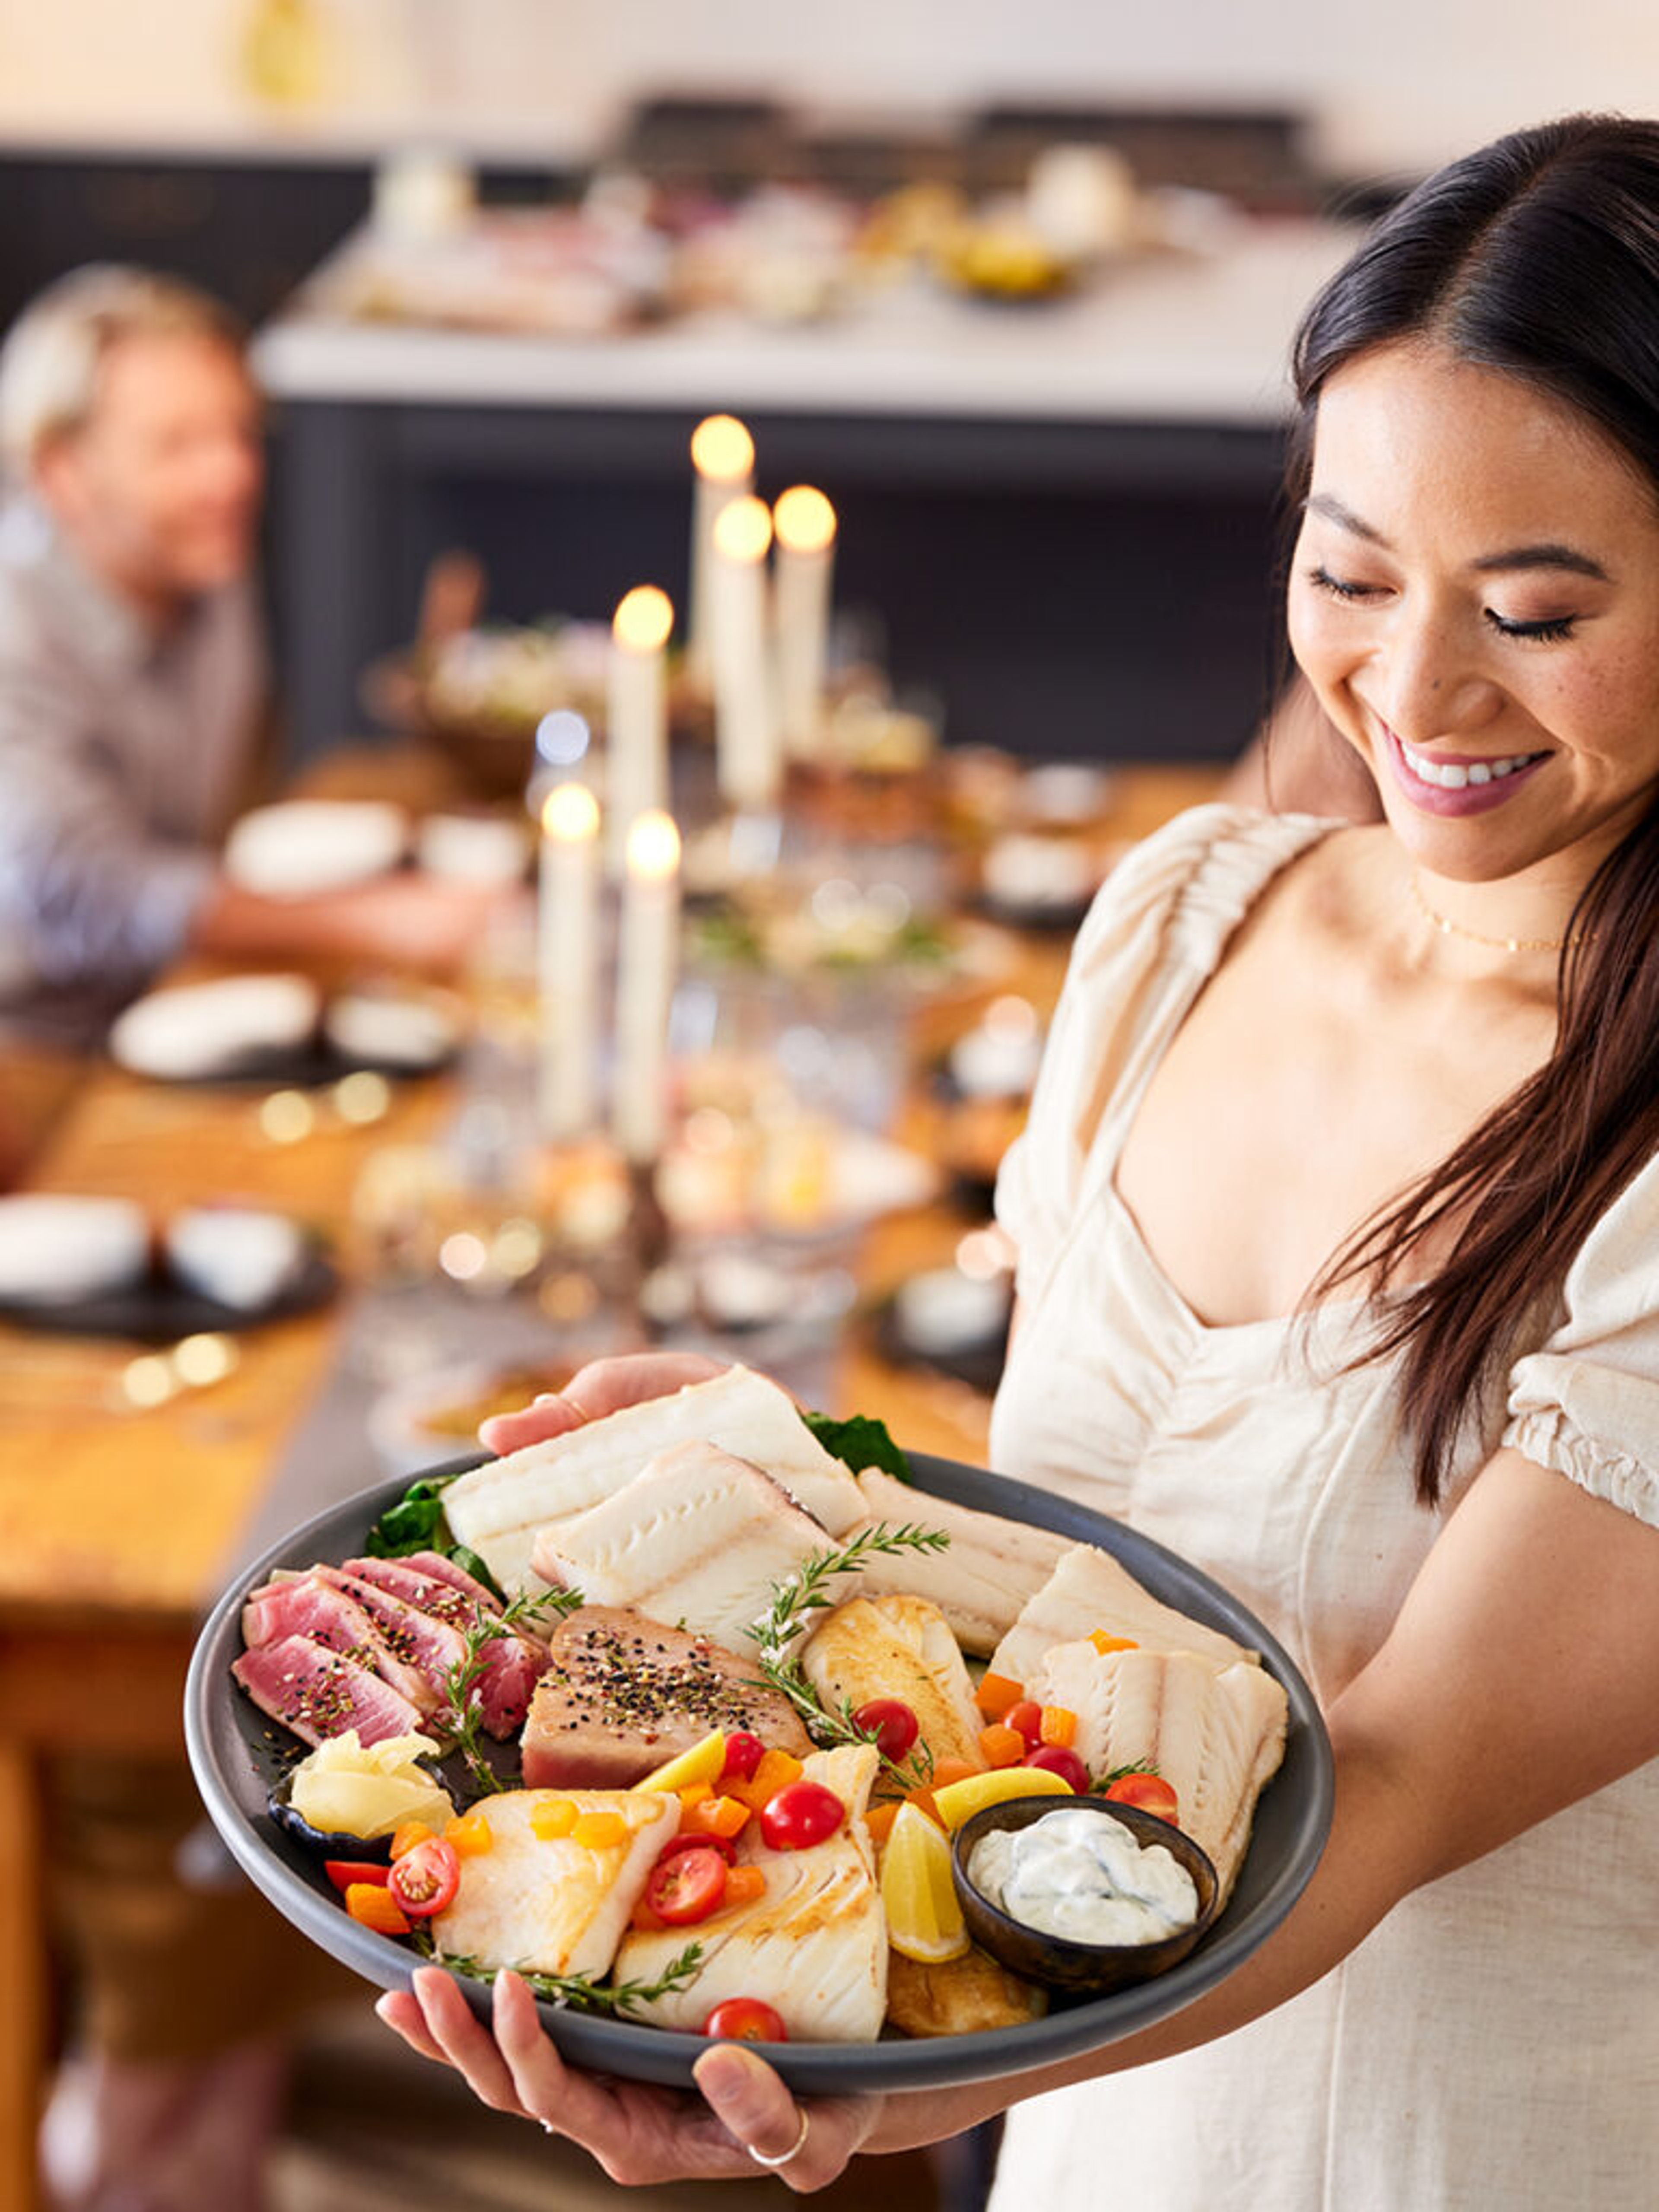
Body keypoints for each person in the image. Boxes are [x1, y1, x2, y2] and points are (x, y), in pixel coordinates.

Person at [372, 108, 1659, 2208]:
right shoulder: (1191, 917)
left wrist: (890, 2092)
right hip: (1091, 2134)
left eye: (1530, 608)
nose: (1411, 685)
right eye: (1347, 572)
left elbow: (1396, 1772)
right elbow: (1100, 1571)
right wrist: (797, 1489)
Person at [0, 264, 498, 1043]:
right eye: (177, 446)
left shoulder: (195, 564)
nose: (231, 474)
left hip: (169, 998)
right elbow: (92, 901)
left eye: (238, 432)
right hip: (37, 1059)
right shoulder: (15, 634)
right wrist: (378, 923)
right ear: (62, 472)